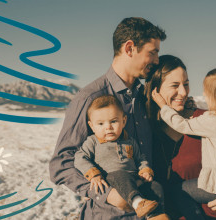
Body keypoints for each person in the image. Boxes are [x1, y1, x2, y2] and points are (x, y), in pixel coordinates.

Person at [49, 17, 166, 219]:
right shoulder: (90, 98)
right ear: (129, 48)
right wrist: (109, 195)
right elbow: (60, 165)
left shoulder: (144, 97)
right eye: (152, 52)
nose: (156, 60)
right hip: (109, 214)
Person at [144, 55, 216, 219]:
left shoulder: (207, 121)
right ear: (156, 89)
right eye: (175, 85)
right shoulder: (146, 129)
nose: (183, 92)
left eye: (186, 84)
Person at [74, 95, 169, 219]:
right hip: (111, 179)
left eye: (113, 121)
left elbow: (140, 158)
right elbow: (80, 157)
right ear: (92, 126)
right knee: (119, 175)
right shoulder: (93, 142)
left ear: (123, 121)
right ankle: (137, 202)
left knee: (155, 186)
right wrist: (94, 175)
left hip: (134, 179)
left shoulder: (129, 141)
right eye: (101, 123)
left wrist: (144, 169)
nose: (108, 127)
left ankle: (154, 214)